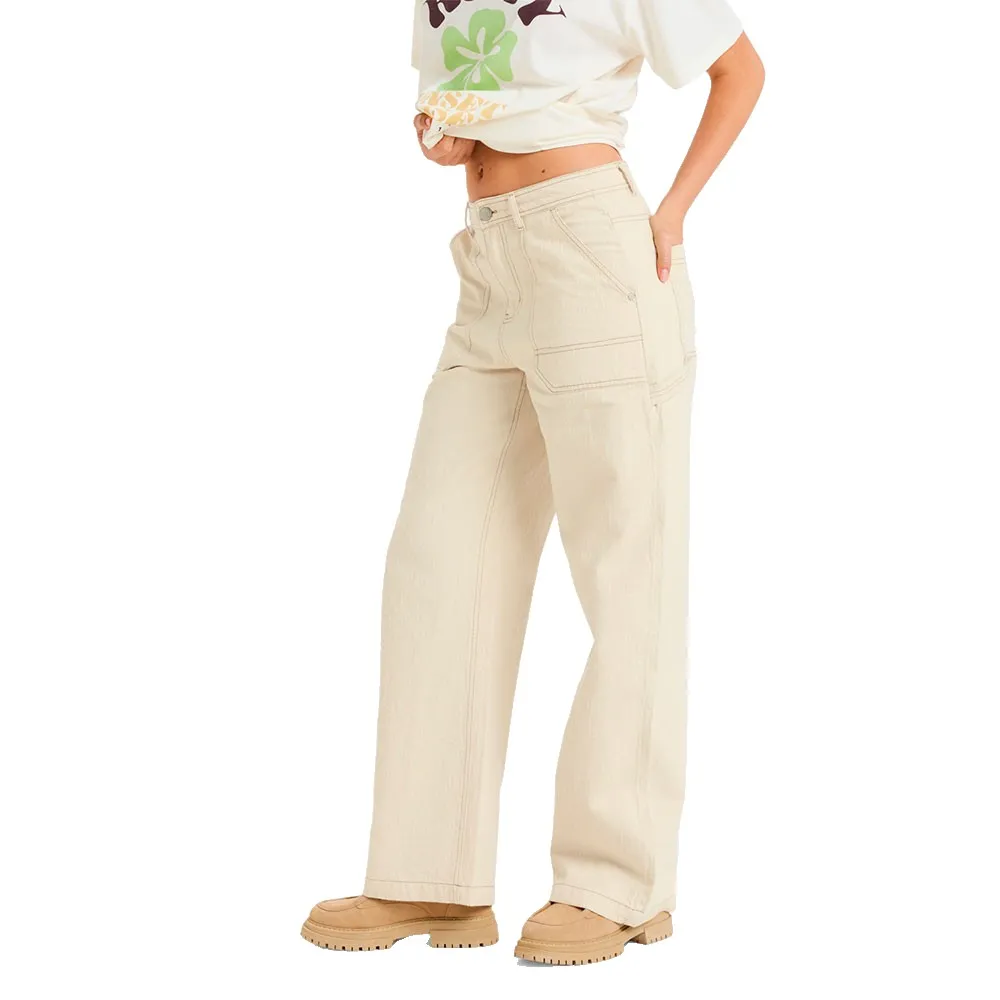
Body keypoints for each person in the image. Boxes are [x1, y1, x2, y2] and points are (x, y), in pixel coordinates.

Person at [302, 0, 764, 966]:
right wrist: (446, 138)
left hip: (593, 250)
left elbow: (741, 71)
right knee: (438, 567)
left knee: (627, 576)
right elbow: (475, 105)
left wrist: (671, 211)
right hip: (488, 264)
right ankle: (431, 879)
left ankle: (618, 885)